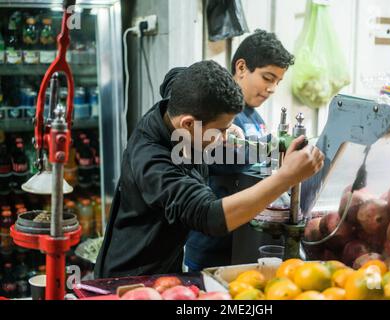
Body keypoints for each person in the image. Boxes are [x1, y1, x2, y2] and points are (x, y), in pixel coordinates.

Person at [94, 60, 324, 278]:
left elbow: (175, 76)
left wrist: (225, 125)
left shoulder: (180, 97)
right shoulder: (153, 163)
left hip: (169, 269)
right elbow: (209, 216)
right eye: (220, 130)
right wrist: (287, 177)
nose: (224, 138)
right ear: (187, 124)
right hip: (129, 280)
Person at [184, 30, 295, 271]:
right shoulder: (216, 114)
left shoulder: (256, 118)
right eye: (267, 77)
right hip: (209, 242)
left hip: (242, 238)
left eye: (277, 81)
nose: (272, 88)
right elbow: (220, 157)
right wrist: (274, 153)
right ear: (242, 67)